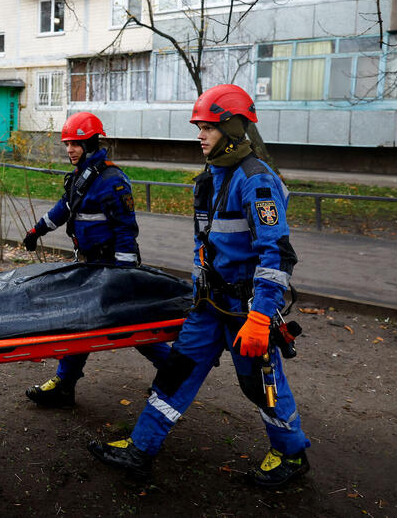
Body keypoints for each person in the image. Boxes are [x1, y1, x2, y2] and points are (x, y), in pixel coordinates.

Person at [88, 84, 310, 490]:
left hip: (246, 312)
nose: (200, 134)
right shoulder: (211, 178)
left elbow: (276, 255)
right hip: (209, 307)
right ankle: (141, 447)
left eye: (207, 127)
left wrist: (261, 318)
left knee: (261, 384)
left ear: (232, 128)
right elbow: (205, 243)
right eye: (199, 127)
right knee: (176, 372)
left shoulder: (257, 182)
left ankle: (292, 453)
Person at [20, 111, 149, 408]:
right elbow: (64, 208)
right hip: (89, 265)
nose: (70, 150)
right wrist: (36, 231)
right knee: (81, 324)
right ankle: (64, 385)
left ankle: (173, 373)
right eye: (67, 144)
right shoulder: (82, 177)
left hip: (111, 268)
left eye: (76, 144)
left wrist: (126, 273)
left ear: (92, 142)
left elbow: (126, 229)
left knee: (136, 327)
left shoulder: (112, 180)